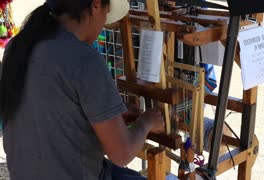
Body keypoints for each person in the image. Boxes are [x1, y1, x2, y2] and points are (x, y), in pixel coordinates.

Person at [0, 0, 164, 179]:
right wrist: (146, 123)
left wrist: (112, 118)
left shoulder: (16, 48)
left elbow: (51, 116)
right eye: (106, 15)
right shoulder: (83, 58)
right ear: (95, 6)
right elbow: (122, 154)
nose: (103, 25)